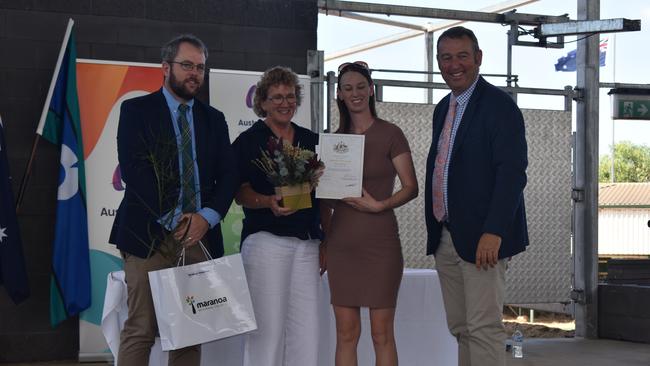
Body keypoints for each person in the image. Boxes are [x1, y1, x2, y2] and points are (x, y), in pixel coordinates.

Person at [109, 34, 238, 366]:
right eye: (186, 65)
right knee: (141, 328)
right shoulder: (136, 110)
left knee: (188, 332)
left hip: (198, 236)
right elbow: (133, 170)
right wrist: (173, 218)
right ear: (165, 67)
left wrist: (206, 217)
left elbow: (228, 176)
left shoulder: (214, 119)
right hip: (147, 235)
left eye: (199, 67)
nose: (194, 73)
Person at [424, 26, 529, 366]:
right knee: (461, 328)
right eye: (446, 57)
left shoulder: (500, 107)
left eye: (462, 56)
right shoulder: (443, 107)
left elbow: (512, 174)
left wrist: (494, 230)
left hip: (484, 239)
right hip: (447, 236)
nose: (454, 64)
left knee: (483, 328)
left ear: (478, 58)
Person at [323, 61, 418, 366]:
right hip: (341, 245)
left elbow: (411, 187)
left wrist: (380, 205)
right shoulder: (333, 140)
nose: (355, 93)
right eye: (348, 88)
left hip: (381, 244)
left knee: (382, 334)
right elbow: (326, 202)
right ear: (339, 94)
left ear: (371, 90)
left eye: (361, 87)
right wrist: (323, 244)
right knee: (346, 334)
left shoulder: (391, 133)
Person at [232, 66, 323, 366]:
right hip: (266, 242)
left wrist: (326, 241)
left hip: (307, 245)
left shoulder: (311, 140)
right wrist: (267, 201)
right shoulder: (249, 141)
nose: (285, 103)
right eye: (276, 97)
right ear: (263, 102)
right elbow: (239, 192)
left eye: (290, 96)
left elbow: (324, 196)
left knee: (306, 333)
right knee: (266, 334)